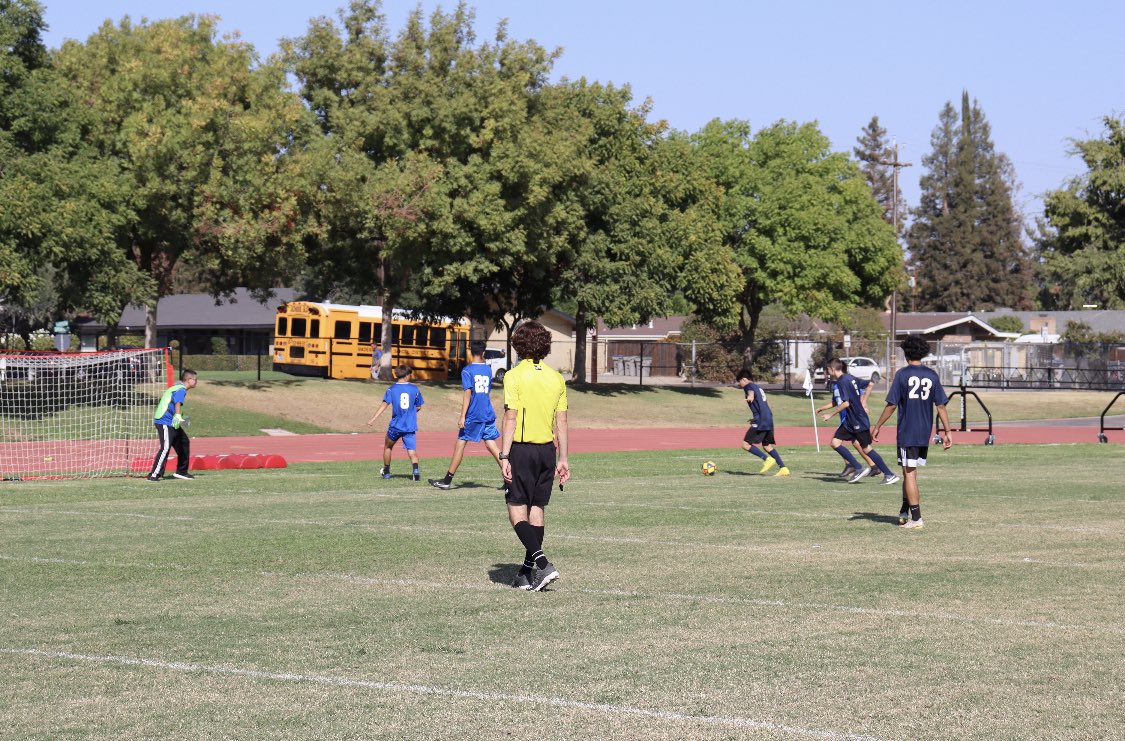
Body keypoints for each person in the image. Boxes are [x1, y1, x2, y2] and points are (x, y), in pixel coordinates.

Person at [499, 320, 569, 592]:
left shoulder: (514, 375)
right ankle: (525, 574)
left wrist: (504, 455)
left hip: (522, 450)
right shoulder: (556, 377)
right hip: (547, 452)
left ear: (518, 344)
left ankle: (543, 565)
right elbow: (562, 422)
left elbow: (510, 417)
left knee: (517, 511)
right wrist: (564, 459)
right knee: (536, 510)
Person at [873, 336, 953, 529]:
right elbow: (941, 406)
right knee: (909, 471)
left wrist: (877, 426)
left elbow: (891, 405)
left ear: (906, 353)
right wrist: (948, 431)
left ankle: (916, 518)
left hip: (908, 431)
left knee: (909, 473)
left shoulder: (902, 374)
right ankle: (904, 511)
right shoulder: (932, 375)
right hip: (924, 431)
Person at [429, 340, 504, 490]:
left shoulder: (467, 371)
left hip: (474, 414)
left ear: (470, 352)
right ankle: (510, 478)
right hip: (487, 412)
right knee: (491, 444)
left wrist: (462, 416)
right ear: (483, 352)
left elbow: (468, 394)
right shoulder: (488, 370)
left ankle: (447, 480)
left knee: (461, 443)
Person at [816, 358, 899, 485]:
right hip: (851, 420)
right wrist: (863, 401)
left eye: (827, 369)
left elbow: (846, 403)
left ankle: (888, 474)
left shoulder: (842, 382)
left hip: (857, 419)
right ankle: (858, 467)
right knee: (835, 443)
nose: (827, 372)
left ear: (832, 369)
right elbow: (870, 384)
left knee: (866, 448)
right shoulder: (850, 378)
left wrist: (830, 415)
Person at [366, 364, 424, 481]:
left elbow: (384, 404)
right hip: (409, 427)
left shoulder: (391, 389)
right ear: (407, 375)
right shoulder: (415, 389)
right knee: (411, 450)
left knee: (388, 447)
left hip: (395, 426)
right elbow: (418, 406)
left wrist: (373, 418)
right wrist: (410, 413)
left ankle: (386, 472)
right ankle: (415, 471)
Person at [147, 369, 198, 482]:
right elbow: (177, 402)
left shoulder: (178, 388)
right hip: (164, 421)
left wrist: (182, 418)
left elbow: (173, 404)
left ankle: (181, 472)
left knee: (184, 442)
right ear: (188, 380)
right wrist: (178, 415)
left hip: (172, 422)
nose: (196, 382)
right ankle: (154, 474)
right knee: (165, 447)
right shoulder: (181, 389)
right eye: (195, 379)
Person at [736, 369, 789, 476]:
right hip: (768, 418)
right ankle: (784, 469)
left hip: (761, 420)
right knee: (767, 445)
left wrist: (750, 396)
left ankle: (766, 459)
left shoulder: (748, 386)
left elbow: (750, 391)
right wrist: (755, 417)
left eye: (739, 381)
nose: (739, 384)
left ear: (744, 379)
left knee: (746, 444)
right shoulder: (758, 387)